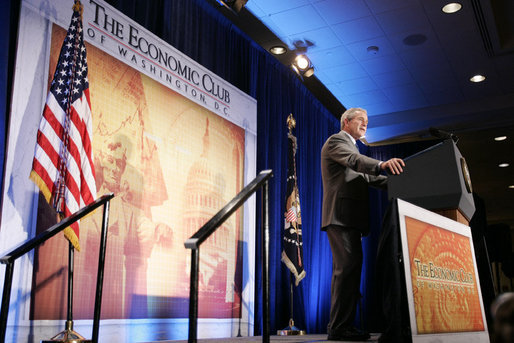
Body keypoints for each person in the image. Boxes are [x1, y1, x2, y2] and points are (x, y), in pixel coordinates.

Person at [321, 107, 405, 341]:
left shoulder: (354, 148)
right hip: (340, 215)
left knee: (351, 270)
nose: (365, 124)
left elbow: (368, 177)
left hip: (350, 218)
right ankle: (338, 328)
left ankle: (343, 326)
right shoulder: (337, 141)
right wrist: (382, 164)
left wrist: (402, 184)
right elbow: (356, 161)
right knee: (346, 270)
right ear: (346, 121)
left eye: (367, 121)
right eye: (361, 120)